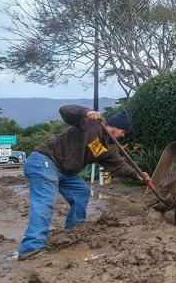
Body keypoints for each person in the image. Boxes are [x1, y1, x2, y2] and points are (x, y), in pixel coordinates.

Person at [18, 105, 147, 260]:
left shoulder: (109, 148)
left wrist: (137, 174)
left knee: (81, 191)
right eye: (123, 131)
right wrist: (86, 112)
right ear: (115, 127)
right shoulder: (92, 123)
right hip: (45, 160)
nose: (123, 135)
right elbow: (65, 111)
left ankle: (73, 231)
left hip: (66, 171)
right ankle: (31, 248)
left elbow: (119, 166)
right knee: (45, 200)